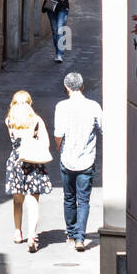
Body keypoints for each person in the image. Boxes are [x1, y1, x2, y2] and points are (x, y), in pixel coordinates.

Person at [53, 72, 103, 253]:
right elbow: (103, 129)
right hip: (87, 159)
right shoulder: (94, 106)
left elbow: (58, 134)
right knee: (83, 200)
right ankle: (80, 238)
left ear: (66, 88)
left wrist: (59, 148)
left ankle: (71, 233)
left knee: (69, 197)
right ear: (82, 87)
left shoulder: (61, 107)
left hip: (67, 158)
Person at [4, 90, 53, 253]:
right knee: (33, 201)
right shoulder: (36, 120)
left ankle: (18, 232)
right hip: (33, 162)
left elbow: (14, 141)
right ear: (30, 103)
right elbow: (46, 143)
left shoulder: (9, 120)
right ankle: (32, 236)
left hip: (16, 162)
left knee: (18, 200)